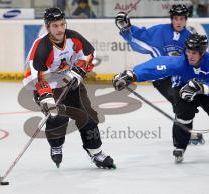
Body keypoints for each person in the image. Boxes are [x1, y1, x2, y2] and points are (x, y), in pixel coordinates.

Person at [23, 7, 115, 169]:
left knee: (88, 116)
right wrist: (46, 97)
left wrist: (80, 70)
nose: (60, 29)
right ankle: (56, 145)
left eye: (62, 24)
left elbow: (90, 55)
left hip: (70, 83)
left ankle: (96, 153)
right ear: (47, 27)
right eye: (55, 26)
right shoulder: (42, 46)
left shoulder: (73, 37)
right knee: (57, 117)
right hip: (46, 86)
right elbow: (36, 76)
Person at [115, 4, 205, 145]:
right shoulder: (160, 30)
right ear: (171, 19)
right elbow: (140, 35)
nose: (179, 22)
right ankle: (185, 133)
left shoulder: (190, 37)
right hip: (161, 76)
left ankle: (185, 132)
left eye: (182, 18)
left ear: (186, 20)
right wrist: (126, 28)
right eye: (176, 18)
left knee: (182, 103)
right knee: (178, 102)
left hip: (179, 77)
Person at [112, 33, 209, 163]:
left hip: (205, 90)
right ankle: (180, 146)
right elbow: (157, 65)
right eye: (188, 51)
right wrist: (133, 75)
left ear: (202, 53)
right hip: (183, 88)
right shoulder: (180, 62)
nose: (190, 56)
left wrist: (203, 88)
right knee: (183, 115)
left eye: (194, 53)